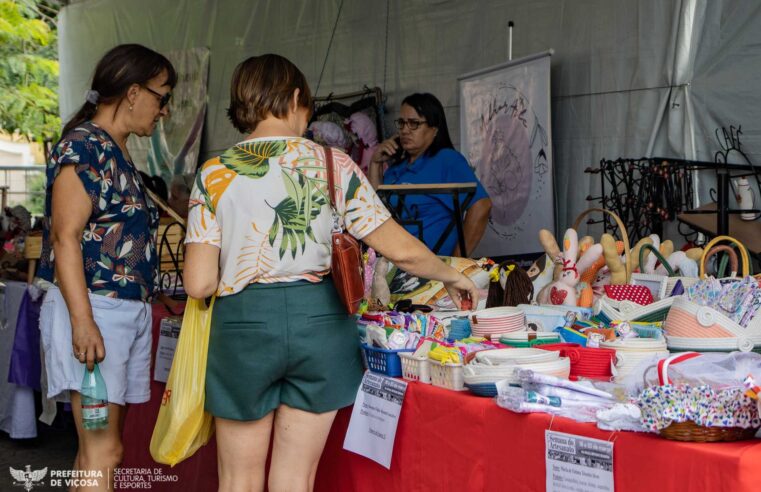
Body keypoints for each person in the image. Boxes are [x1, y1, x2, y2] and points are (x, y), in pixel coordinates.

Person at [182, 54, 479, 492]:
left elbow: (199, 283)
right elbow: (401, 250)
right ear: (298, 97)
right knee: (295, 480)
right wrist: (453, 276)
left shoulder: (214, 173)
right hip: (319, 326)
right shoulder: (333, 165)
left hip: (243, 330)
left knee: (238, 481)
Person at [37, 44, 176, 490]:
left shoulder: (118, 151)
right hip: (95, 311)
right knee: (104, 450)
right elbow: (65, 238)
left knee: (97, 450)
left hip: (120, 312)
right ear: (133, 93)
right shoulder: (84, 146)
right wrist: (83, 323)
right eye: (162, 97)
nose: (165, 111)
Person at [368, 93, 492, 257]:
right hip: (396, 267)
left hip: (435, 271)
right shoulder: (396, 168)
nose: (405, 130)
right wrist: (375, 164)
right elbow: (375, 212)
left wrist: (457, 262)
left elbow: (482, 205)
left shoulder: (447, 160)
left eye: (414, 124)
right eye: (402, 123)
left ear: (434, 129)